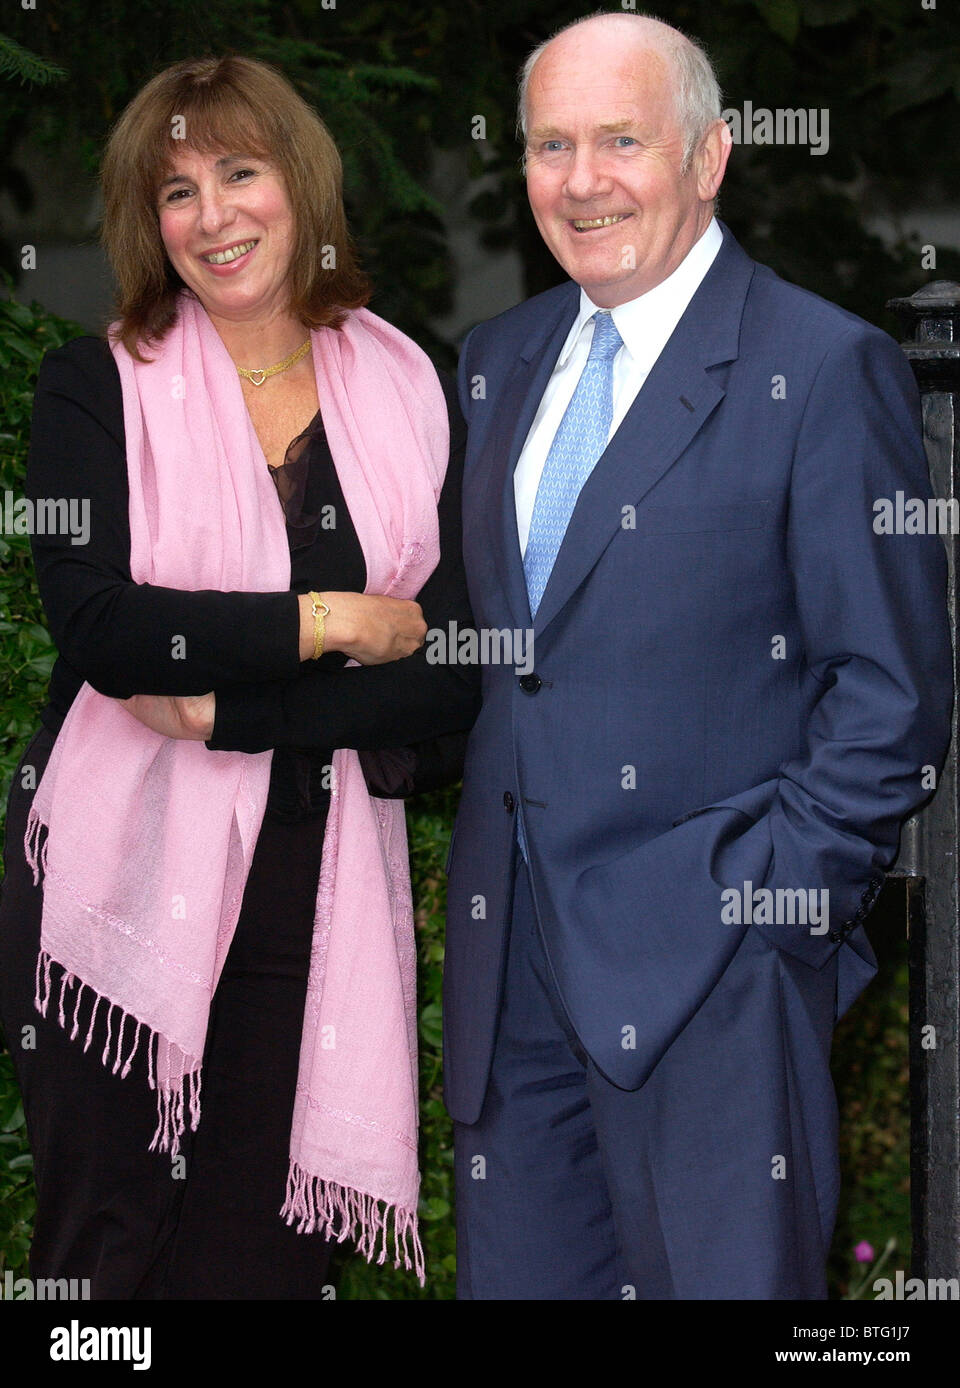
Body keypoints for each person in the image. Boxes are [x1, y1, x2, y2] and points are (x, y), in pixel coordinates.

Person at [444, 12, 953, 1300]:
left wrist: (761, 907)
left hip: (713, 983)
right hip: (513, 992)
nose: (581, 178)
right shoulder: (496, 365)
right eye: (551, 144)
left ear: (712, 156)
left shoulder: (822, 365)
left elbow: (890, 694)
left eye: (623, 138)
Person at [0, 54, 479, 1300]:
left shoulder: (413, 386)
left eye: (239, 173)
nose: (212, 215)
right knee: (102, 1257)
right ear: (144, 223)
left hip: (312, 893)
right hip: (111, 886)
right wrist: (336, 618)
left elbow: (458, 672)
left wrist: (234, 706)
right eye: (174, 191)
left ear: (301, 186)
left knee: (262, 1266)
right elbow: (103, 625)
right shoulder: (93, 384)